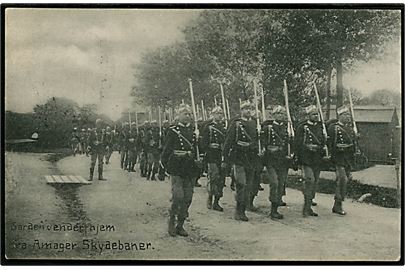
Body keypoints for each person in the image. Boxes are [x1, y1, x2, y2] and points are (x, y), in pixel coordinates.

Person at [161, 104, 201, 237]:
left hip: (189, 168)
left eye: (189, 114)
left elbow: (196, 151)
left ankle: (180, 225)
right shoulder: (173, 131)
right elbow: (166, 152)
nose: (188, 116)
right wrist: (166, 168)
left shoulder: (194, 131)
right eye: (185, 114)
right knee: (178, 197)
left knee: (188, 198)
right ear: (178, 116)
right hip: (176, 168)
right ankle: (171, 221)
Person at [222, 100, 258, 222]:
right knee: (241, 184)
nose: (248, 110)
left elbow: (257, 141)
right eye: (246, 108)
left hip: (251, 157)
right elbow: (228, 141)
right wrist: (225, 158)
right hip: (239, 157)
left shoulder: (254, 123)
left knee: (248, 185)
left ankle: (244, 206)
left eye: (250, 108)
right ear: (241, 110)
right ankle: (239, 210)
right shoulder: (236, 124)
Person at [261, 105, 294, 220]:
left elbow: (291, 144)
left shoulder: (287, 128)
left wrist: (291, 153)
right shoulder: (268, 128)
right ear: (273, 115)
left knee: (281, 184)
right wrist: (268, 149)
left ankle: (276, 206)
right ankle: (273, 210)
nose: (281, 116)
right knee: (274, 183)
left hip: (283, 160)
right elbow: (263, 143)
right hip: (271, 160)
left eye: (283, 114)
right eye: (278, 113)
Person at [295, 105, 327, 217]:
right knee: (310, 180)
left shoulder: (321, 127)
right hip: (306, 158)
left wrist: (322, 148)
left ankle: (309, 204)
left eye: (317, 114)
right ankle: (306, 208)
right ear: (308, 115)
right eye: (313, 114)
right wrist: (305, 149)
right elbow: (297, 144)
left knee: (315, 183)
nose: (316, 116)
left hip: (317, 159)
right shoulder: (302, 127)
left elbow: (323, 142)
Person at [327, 105, 357, 215]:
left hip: (347, 158)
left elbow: (353, 144)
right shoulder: (333, 128)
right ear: (340, 116)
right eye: (346, 115)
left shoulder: (350, 128)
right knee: (342, 179)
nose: (348, 117)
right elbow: (329, 144)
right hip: (338, 158)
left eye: (349, 115)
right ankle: (338, 204)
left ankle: (337, 205)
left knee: (344, 181)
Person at [201, 106, 226, 212]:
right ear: (213, 115)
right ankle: (210, 197)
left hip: (221, 154)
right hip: (211, 154)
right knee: (213, 176)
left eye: (221, 113)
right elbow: (203, 143)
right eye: (217, 113)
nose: (219, 115)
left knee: (221, 179)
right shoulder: (208, 127)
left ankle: (217, 200)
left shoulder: (224, 128)